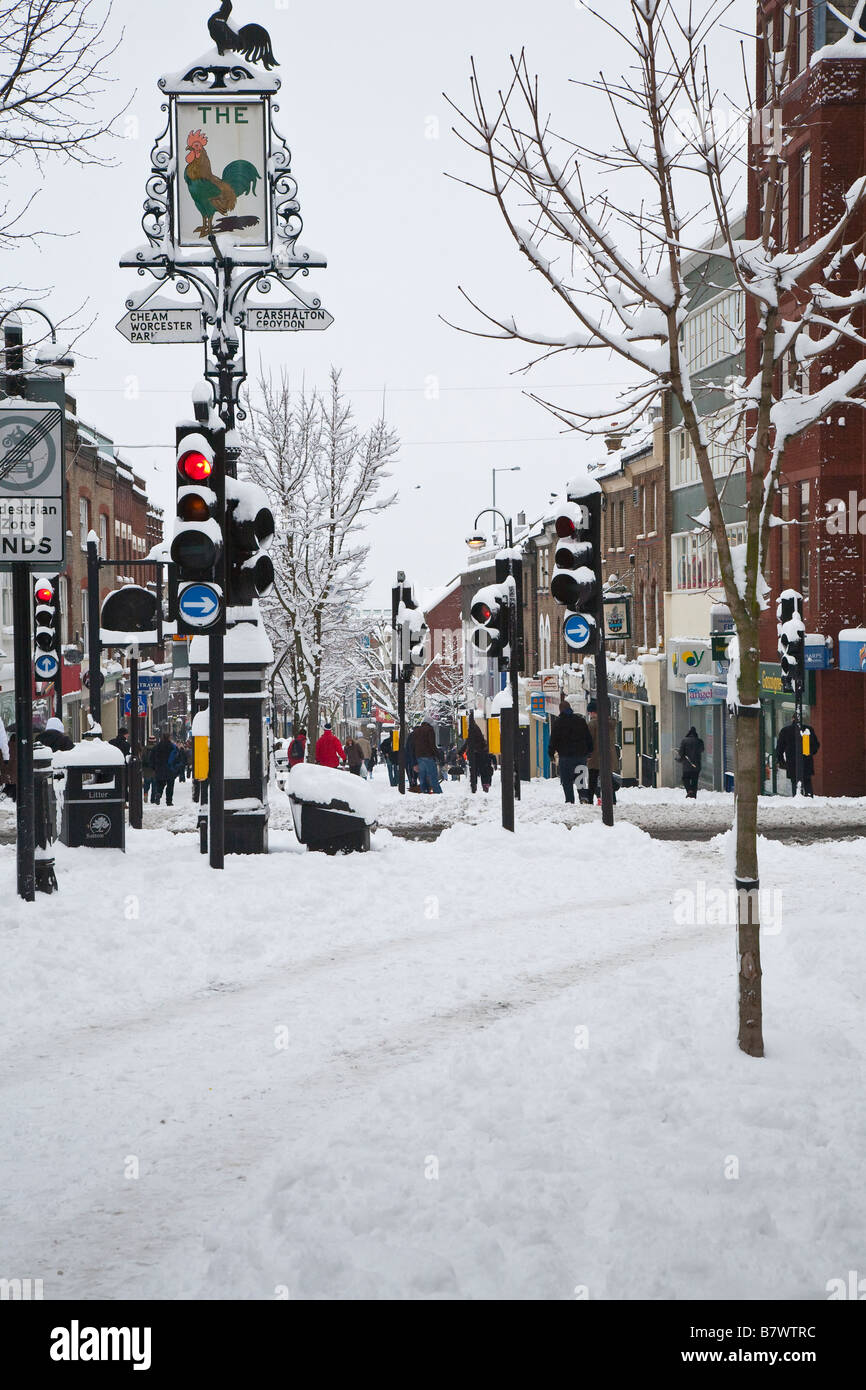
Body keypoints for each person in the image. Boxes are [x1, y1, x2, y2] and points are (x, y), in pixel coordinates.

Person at [548, 701, 593, 804]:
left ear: (560, 710)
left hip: (565, 757)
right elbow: (588, 738)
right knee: (580, 778)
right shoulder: (580, 721)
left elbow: (553, 740)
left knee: (566, 780)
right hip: (581, 756)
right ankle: (583, 797)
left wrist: (551, 754)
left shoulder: (558, 723)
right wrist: (589, 752)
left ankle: (569, 800)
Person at [582, 700, 620, 806]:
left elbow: (589, 741)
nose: (589, 714)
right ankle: (612, 800)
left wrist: (587, 753)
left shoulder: (592, 724)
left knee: (592, 781)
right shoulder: (610, 723)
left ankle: (590, 800)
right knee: (607, 780)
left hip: (595, 757)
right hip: (608, 757)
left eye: (590, 712)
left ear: (594, 712)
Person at [776, 715, 820, 797]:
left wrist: (781, 761)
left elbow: (779, 748)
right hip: (806, 761)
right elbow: (815, 745)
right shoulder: (808, 729)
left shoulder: (785, 731)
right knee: (807, 782)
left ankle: (797, 797)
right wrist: (809, 753)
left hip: (792, 762)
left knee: (795, 782)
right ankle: (809, 797)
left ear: (792, 719)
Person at [460, 720, 493, 793]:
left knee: (475, 771)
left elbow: (468, 742)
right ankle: (482, 786)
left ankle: (475, 787)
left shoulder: (473, 730)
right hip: (479, 754)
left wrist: (460, 752)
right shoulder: (475, 729)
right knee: (481, 771)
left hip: (477, 754)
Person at [413, 713, 442, 794]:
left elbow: (414, 745)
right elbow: (432, 744)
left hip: (419, 756)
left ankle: (424, 791)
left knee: (422, 776)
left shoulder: (417, 731)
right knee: (433, 776)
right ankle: (437, 792)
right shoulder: (429, 730)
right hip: (428, 756)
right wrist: (438, 756)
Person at [151, 731, 177, 806]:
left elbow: (152, 758)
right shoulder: (172, 747)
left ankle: (158, 793)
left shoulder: (157, 747)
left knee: (160, 784)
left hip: (159, 768)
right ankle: (169, 801)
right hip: (170, 769)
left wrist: (154, 767)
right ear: (169, 738)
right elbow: (176, 758)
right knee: (170, 786)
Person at [678, 726, 704, 799]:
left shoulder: (684, 741)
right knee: (694, 780)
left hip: (687, 764)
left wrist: (680, 759)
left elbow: (681, 753)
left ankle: (689, 790)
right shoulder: (699, 741)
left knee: (685, 778)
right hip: (697, 765)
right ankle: (693, 795)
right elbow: (702, 750)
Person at [141, 737, 157, 803]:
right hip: (155, 770)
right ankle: (153, 799)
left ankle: (145, 794)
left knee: (146, 785)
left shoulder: (144, 749)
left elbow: (142, 759)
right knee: (154, 786)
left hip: (146, 770)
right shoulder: (157, 749)